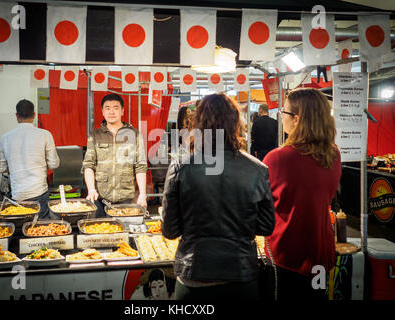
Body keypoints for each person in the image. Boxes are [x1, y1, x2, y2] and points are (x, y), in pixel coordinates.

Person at [162, 93, 275, 301]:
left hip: (193, 278)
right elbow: (266, 226)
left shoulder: (181, 167)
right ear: (236, 124)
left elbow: (170, 231)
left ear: (198, 124)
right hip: (241, 276)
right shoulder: (258, 169)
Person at [263, 88, 341, 300]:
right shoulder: (333, 154)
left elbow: (261, 206)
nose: (282, 117)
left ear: (296, 119)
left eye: (284, 112)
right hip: (321, 251)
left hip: (288, 254)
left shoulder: (278, 158)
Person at [82, 93, 147, 217]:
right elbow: (88, 165)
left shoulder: (134, 134)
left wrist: (143, 194)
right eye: (107, 108)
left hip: (126, 198)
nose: (111, 112)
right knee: (101, 231)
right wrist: (91, 189)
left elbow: (140, 166)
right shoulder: (95, 135)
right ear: (102, 111)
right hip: (100, 198)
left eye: (116, 108)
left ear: (122, 111)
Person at [0, 99, 60, 219]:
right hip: (39, 192)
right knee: (40, 230)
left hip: (18, 195)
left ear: (16, 115)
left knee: (21, 229)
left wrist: (15, 167)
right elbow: (54, 164)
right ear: (34, 115)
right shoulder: (45, 135)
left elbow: (1, 168)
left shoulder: (5, 138)